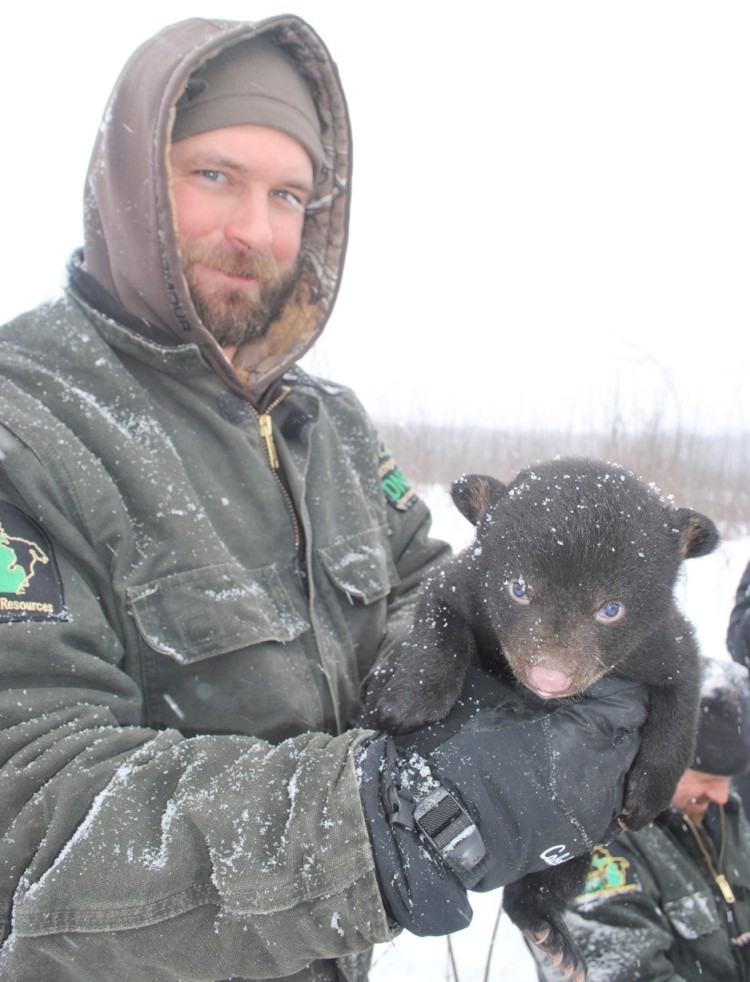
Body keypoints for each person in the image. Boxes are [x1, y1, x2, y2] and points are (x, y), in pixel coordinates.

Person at [0, 16, 649, 982]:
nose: (254, 229)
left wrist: (603, 668)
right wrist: (382, 824)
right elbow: (36, 816)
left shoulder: (329, 426)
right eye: (214, 175)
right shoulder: (30, 427)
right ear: (129, 180)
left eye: (288, 194)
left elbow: (434, 604)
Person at [530, 656, 750, 982]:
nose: (720, 796)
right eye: (705, 779)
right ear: (657, 758)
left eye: (727, 781)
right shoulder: (586, 843)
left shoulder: (719, 812)